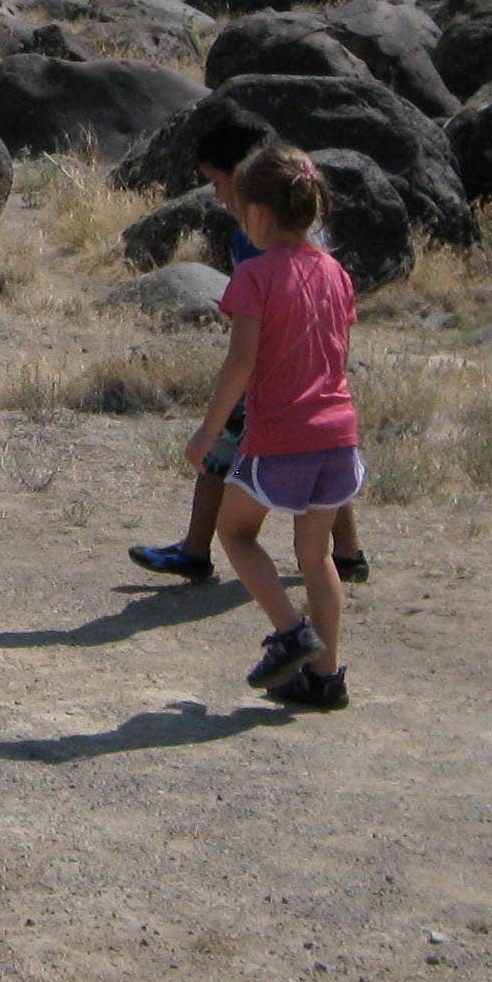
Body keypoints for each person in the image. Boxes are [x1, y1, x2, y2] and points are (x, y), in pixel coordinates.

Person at [131, 117, 371, 588]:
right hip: (316, 371)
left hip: (270, 366)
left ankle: (197, 550)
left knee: (220, 450)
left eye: (219, 183)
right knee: (322, 453)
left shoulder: (255, 239)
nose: (219, 195)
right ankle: (346, 553)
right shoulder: (308, 229)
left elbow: (248, 341)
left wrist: (208, 425)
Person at [182, 141, 364, 711]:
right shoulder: (336, 273)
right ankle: (325, 680)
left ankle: (291, 635)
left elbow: (241, 364)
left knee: (236, 532)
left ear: (257, 214)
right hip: (339, 437)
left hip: (281, 438)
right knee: (317, 557)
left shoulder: (255, 276)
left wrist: (208, 433)